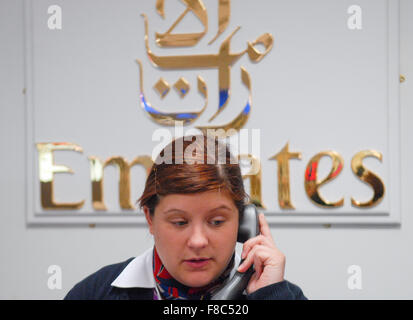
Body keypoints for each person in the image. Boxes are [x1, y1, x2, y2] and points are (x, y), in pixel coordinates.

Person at [64, 134, 307, 300]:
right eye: (180, 222)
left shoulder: (279, 294)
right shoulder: (95, 293)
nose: (198, 241)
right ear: (150, 218)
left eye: (217, 222)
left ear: (244, 224)